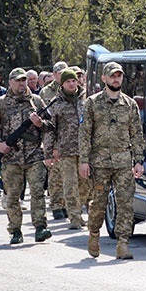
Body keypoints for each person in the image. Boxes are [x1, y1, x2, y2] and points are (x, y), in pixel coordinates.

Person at [79, 61, 145, 259]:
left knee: (126, 203)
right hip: (99, 163)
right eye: (112, 76)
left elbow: (137, 134)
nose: (116, 79)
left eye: (119, 76)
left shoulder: (130, 104)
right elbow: (84, 133)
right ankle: (94, 234)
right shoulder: (92, 103)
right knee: (99, 202)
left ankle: (123, 243)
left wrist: (139, 160)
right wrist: (84, 160)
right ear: (104, 78)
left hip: (124, 162)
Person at [0, 68, 52, 244]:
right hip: (11, 158)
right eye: (18, 81)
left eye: (24, 80)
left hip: (34, 155)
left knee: (37, 192)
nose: (22, 84)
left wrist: (40, 123)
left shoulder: (36, 101)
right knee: (13, 195)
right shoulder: (1, 104)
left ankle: (40, 227)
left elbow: (50, 126)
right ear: (10, 82)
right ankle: (15, 230)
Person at [44, 68, 87, 229]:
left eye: (74, 80)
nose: (71, 83)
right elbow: (49, 129)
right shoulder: (56, 103)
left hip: (84, 150)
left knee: (85, 185)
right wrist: (49, 152)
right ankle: (74, 217)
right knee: (70, 184)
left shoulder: (86, 100)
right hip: (65, 150)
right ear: (62, 84)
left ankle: (79, 210)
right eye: (68, 81)